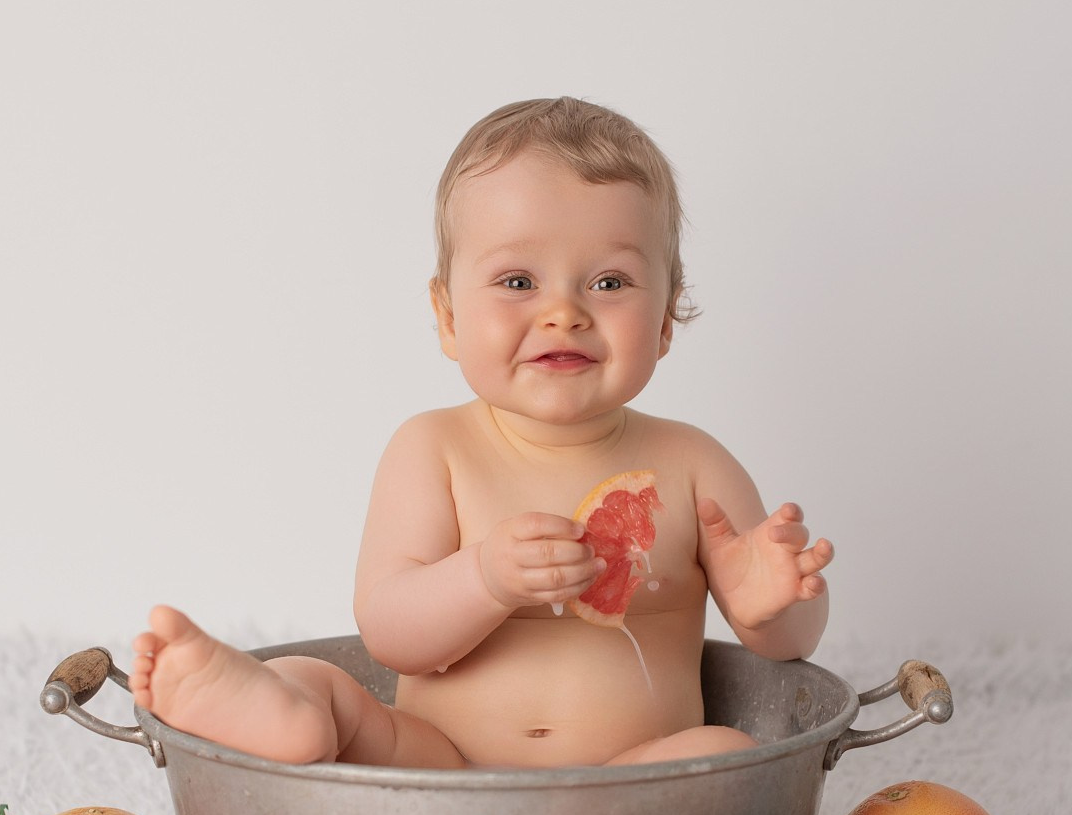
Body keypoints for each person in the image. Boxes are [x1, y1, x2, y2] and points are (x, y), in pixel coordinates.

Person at [130, 97, 833, 769]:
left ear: (665, 321)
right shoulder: (434, 450)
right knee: (322, 685)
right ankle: (279, 712)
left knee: (723, 755)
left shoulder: (692, 464)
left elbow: (794, 646)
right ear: (448, 317)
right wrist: (486, 577)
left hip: (629, 781)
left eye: (611, 283)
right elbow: (390, 631)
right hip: (438, 766)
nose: (564, 312)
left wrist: (768, 603)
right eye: (519, 281)